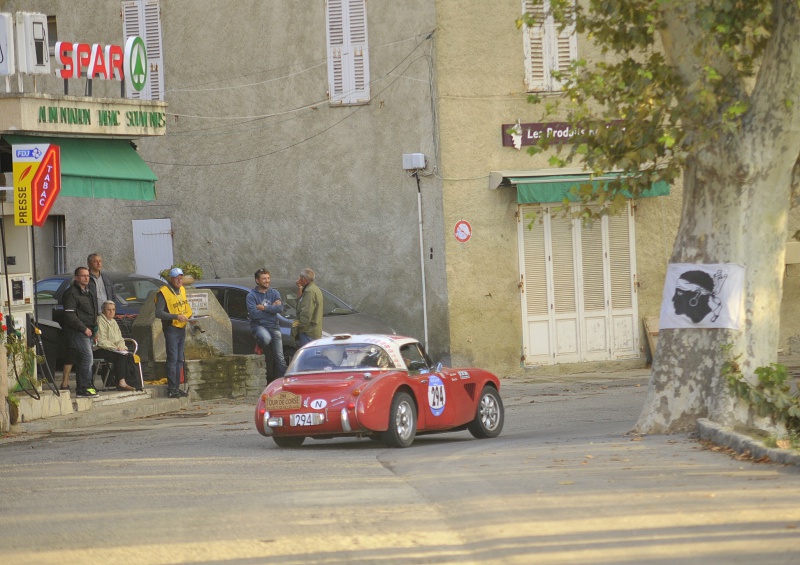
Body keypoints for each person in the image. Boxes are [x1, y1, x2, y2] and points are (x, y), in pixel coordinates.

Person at [154, 267, 194, 398]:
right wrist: (175, 316)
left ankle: (176, 387)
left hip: (182, 327)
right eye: (176, 277)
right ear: (171, 279)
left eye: (181, 277)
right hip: (171, 328)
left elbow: (185, 306)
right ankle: (171, 389)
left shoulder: (182, 289)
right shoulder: (163, 292)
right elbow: (159, 312)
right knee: (172, 359)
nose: (179, 280)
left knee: (179, 360)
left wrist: (191, 318)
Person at [61, 267, 98, 398]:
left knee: (88, 360)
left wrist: (95, 329)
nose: (86, 278)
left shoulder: (89, 292)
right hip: (78, 332)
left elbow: (93, 313)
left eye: (88, 275)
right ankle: (83, 388)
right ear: (76, 277)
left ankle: (88, 386)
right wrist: (84, 328)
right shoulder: (71, 293)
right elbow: (70, 316)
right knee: (86, 358)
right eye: (83, 276)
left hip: (89, 331)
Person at [246, 268, 287, 383]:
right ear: (257, 280)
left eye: (268, 278)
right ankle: (260, 344)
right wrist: (271, 310)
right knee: (266, 338)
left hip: (274, 326)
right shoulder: (251, 296)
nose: (267, 281)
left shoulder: (274, 293)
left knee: (280, 357)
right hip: (259, 326)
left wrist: (264, 308)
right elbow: (254, 314)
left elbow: (280, 308)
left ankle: (282, 382)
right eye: (264, 278)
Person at [94, 301, 141, 391]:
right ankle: (121, 383)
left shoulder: (114, 321)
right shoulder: (100, 320)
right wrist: (116, 348)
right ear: (103, 310)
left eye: (113, 310)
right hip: (100, 349)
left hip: (114, 350)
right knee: (120, 356)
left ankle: (133, 382)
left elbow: (120, 339)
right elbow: (101, 341)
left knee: (128, 355)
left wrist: (122, 347)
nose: (111, 312)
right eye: (109, 310)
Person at [292, 268, 323, 347]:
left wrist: (300, 327)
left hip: (308, 332)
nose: (298, 279)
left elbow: (306, 312)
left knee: (308, 357)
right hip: (311, 331)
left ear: (303, 278)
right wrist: (300, 288)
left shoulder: (310, 291)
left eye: (299, 277)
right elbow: (300, 302)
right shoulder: (312, 289)